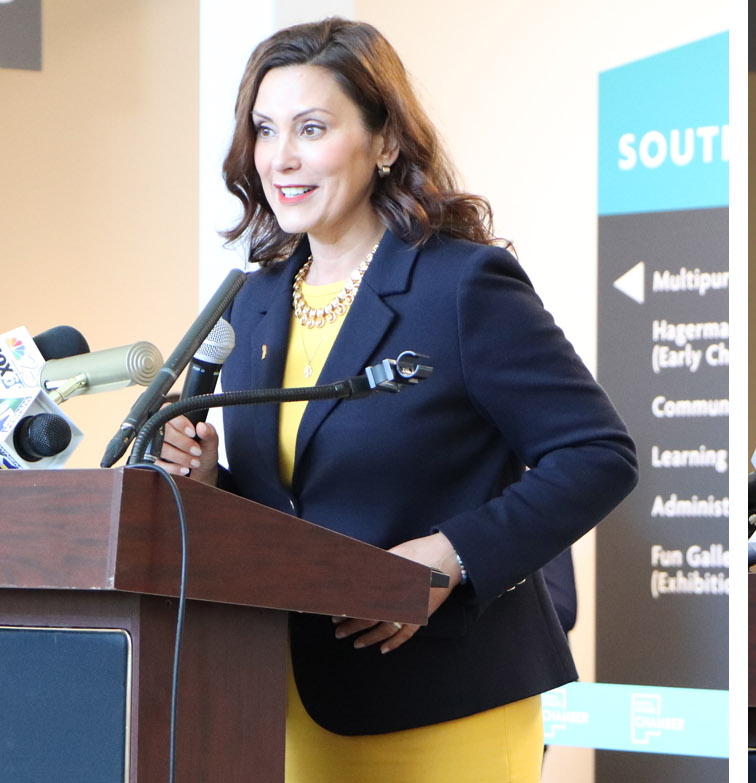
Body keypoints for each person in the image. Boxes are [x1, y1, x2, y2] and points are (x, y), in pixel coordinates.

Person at [156, 18, 636, 782]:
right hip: (279, 695)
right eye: (265, 130)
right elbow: (288, 501)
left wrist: (448, 556)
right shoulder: (254, 302)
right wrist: (210, 481)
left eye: (311, 129)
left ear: (384, 142)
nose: (281, 158)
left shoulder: (462, 285)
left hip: (444, 701)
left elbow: (597, 454)